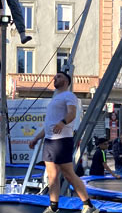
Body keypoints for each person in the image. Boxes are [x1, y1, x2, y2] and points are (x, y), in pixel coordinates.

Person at [29, 72, 99, 213]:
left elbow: (72, 113)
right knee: (52, 176)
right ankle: (53, 207)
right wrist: (36, 138)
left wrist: (63, 122)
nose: (55, 78)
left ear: (67, 81)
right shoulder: (55, 99)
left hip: (62, 141)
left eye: (59, 77)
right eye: (55, 77)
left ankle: (89, 206)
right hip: (49, 142)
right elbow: (49, 125)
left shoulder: (69, 96)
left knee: (68, 174)